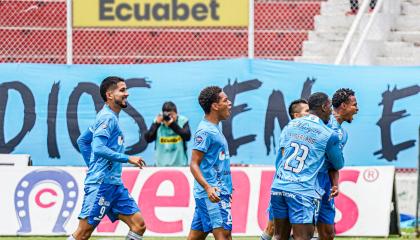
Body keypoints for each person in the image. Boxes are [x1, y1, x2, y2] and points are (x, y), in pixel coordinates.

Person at [69, 76, 147, 240]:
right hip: (101, 184)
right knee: (83, 233)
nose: (127, 94)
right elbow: (98, 148)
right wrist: (128, 159)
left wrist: (93, 166)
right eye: (122, 90)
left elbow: (83, 141)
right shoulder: (107, 118)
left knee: (138, 225)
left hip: (114, 184)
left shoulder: (108, 116)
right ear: (110, 95)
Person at [270, 92, 345, 240]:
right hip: (302, 191)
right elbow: (338, 163)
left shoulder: (291, 124)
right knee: (302, 237)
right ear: (324, 107)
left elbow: (283, 154)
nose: (331, 112)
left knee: (279, 236)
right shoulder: (329, 134)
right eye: (330, 107)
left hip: (279, 187)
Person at [187, 86, 233, 240]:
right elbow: (194, 164)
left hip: (214, 192)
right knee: (224, 236)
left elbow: (213, 162)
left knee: (196, 237)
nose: (230, 103)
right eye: (225, 100)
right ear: (215, 106)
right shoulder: (205, 131)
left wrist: (226, 185)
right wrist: (208, 188)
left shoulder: (214, 127)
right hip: (212, 195)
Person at [260, 99, 309, 240]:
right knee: (273, 228)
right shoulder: (289, 130)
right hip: (285, 185)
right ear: (296, 115)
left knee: (300, 230)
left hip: (299, 187)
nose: (310, 114)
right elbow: (285, 155)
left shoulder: (310, 133)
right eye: (306, 111)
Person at [316, 88, 358, 240]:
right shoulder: (323, 123)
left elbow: (334, 163)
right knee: (300, 232)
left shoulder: (343, 134)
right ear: (344, 106)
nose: (357, 109)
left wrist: (335, 183)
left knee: (328, 234)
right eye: (355, 104)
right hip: (310, 182)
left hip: (326, 185)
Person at [144, 101, 191, 166]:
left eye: (172, 115)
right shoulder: (158, 122)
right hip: (161, 165)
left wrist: (172, 125)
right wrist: (156, 124)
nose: (170, 117)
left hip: (180, 165)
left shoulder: (182, 121)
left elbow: (187, 136)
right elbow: (148, 139)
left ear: (176, 114)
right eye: (167, 115)